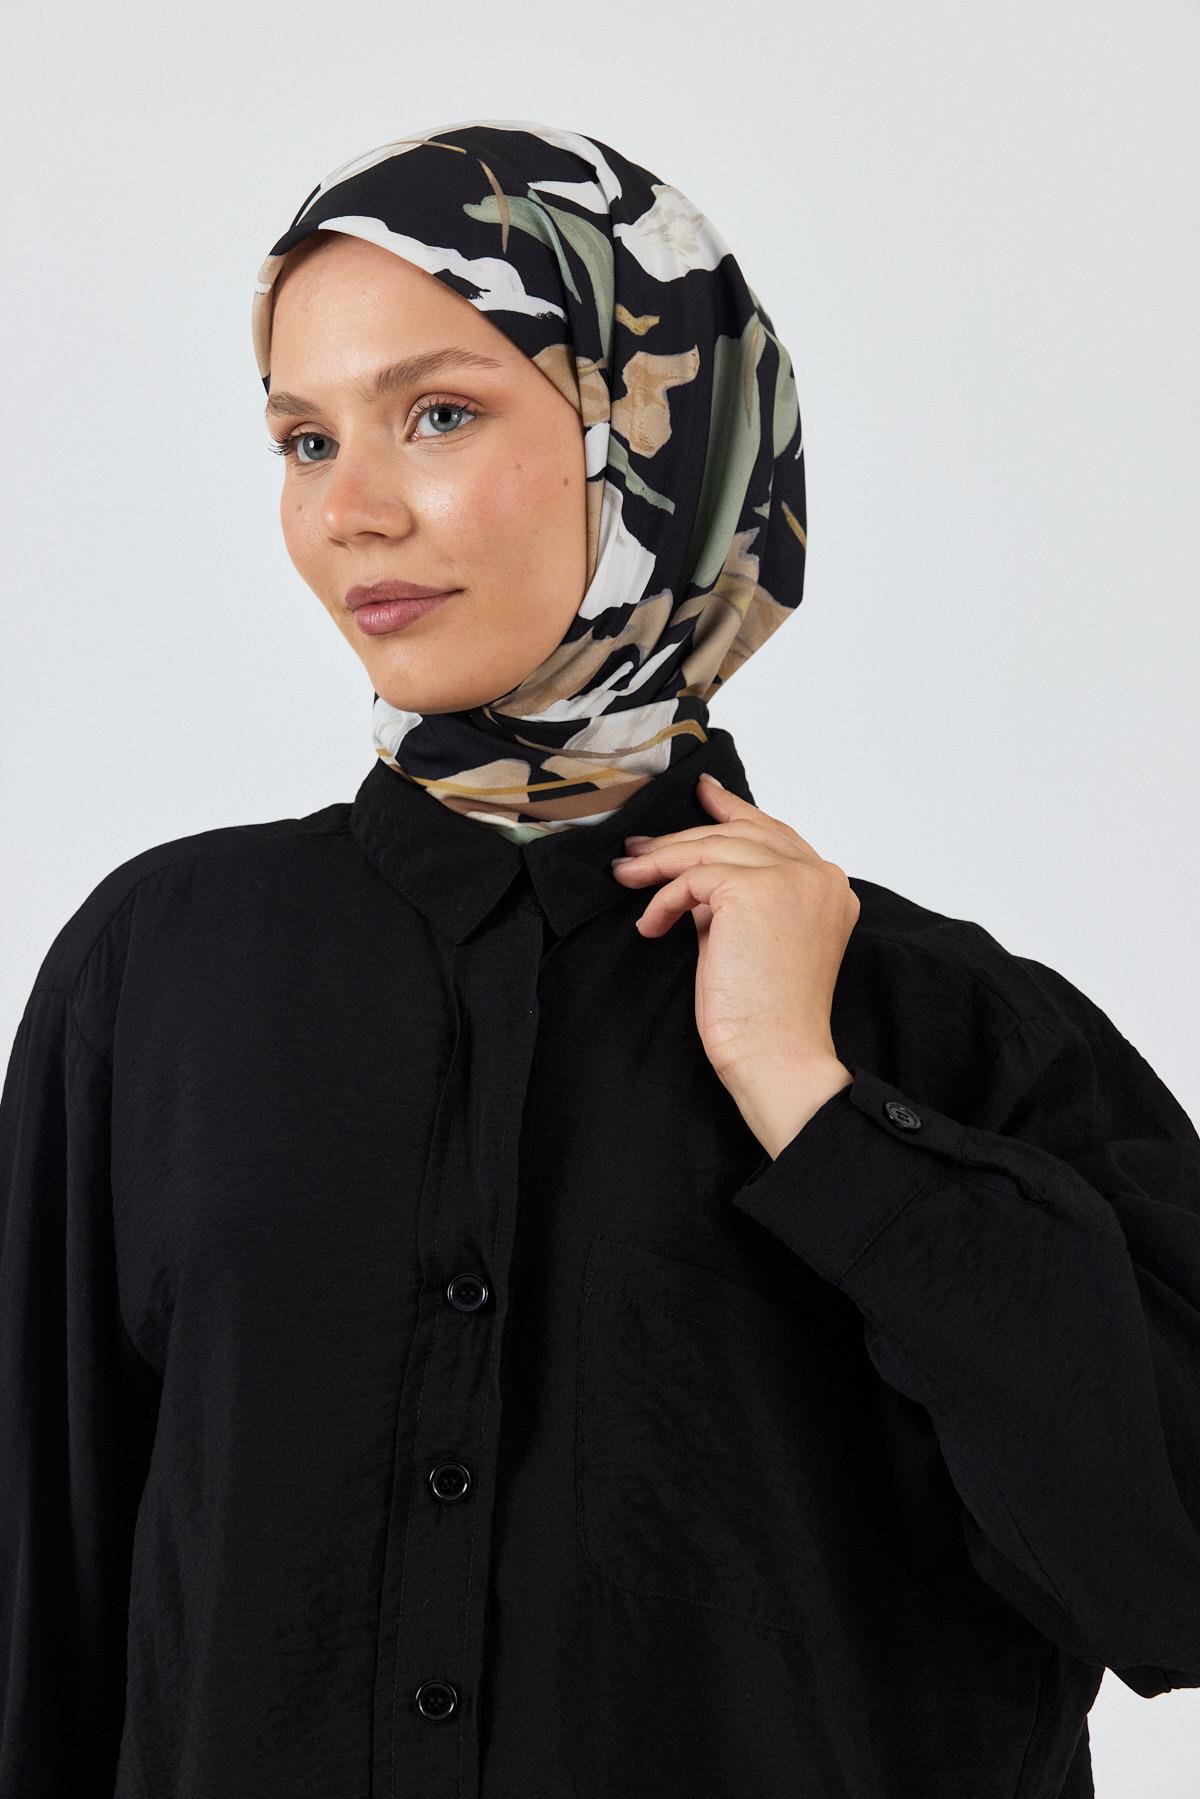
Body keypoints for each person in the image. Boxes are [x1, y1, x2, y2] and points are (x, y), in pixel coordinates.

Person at [1, 118, 1198, 1799]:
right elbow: (43, 1619)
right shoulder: (162, 971)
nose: (349, 511)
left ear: (655, 438)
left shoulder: (953, 1030)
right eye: (302, 438)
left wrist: (817, 1107)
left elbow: (1167, 1577)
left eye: (437, 414)